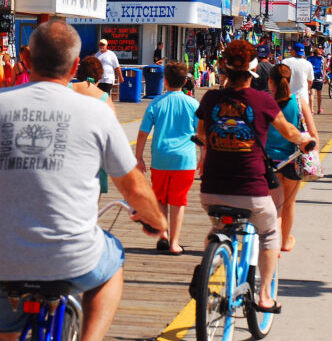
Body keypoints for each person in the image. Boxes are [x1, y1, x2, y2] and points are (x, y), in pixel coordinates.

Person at [0, 20, 166, 341]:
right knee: (113, 260)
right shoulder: (95, 110)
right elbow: (134, 187)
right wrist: (157, 222)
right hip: (73, 257)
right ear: (75, 69)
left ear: (26, 60)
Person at [195, 40, 316, 314]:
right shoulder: (262, 100)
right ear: (253, 72)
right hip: (251, 190)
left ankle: (207, 277)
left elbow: (201, 134)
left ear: (224, 68)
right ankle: (264, 296)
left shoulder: (210, 98)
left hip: (211, 189)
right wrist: (306, 140)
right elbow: (288, 132)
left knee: (217, 227)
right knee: (270, 230)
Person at [135, 61, 199, 256]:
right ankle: (174, 243)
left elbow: (143, 133)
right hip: (185, 160)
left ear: (165, 81)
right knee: (178, 202)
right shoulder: (192, 103)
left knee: (161, 198)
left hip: (161, 158)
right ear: (185, 81)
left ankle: (163, 234)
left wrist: (138, 157)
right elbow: (202, 134)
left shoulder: (156, 103)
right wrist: (204, 157)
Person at [265, 64, 318, 253]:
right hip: (293, 159)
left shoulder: (265, 102)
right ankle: (283, 242)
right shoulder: (298, 100)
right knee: (288, 204)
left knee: (273, 206)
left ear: (270, 81)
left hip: (269, 160)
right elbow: (312, 132)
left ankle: (271, 242)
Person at [307, 48, 325, 113]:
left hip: (311, 78)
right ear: (319, 53)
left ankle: (311, 110)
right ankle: (319, 109)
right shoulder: (322, 59)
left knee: (311, 94)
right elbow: (323, 69)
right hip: (319, 78)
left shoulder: (309, 58)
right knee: (319, 94)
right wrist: (324, 77)